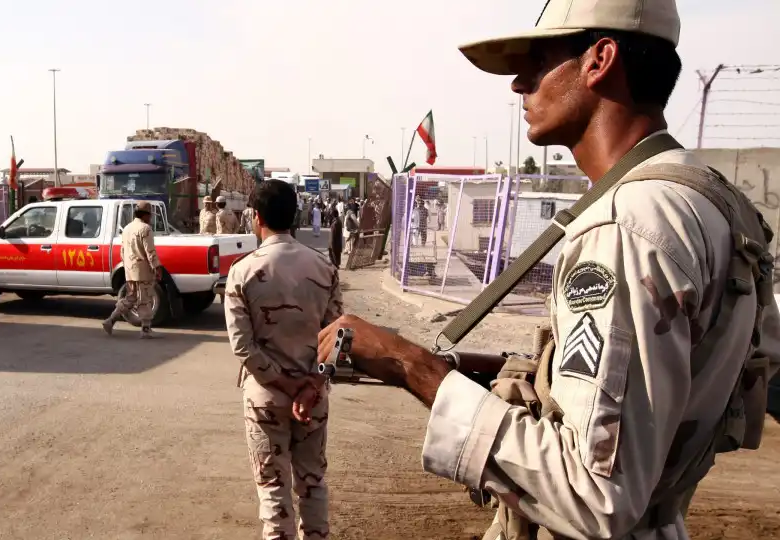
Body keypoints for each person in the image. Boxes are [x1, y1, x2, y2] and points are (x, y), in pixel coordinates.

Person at [299, 1, 780, 539]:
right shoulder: (712, 202)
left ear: (599, 60)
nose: (518, 85)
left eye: (539, 60)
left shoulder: (624, 226)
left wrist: (410, 366)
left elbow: (594, 494)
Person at [223, 179, 343, 540]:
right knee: (313, 483)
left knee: (273, 490)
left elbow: (243, 347)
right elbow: (337, 337)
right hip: (313, 397)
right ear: (294, 217)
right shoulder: (324, 268)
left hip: (265, 398)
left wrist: (285, 384)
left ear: (256, 217)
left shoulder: (241, 272)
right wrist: (311, 386)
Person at [103, 201, 162, 338]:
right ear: (146, 215)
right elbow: (150, 252)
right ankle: (145, 330)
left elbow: (122, 251)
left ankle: (110, 320)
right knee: (145, 298)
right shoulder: (145, 229)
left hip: (130, 270)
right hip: (143, 271)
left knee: (130, 298)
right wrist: (157, 267)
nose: (151, 218)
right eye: (150, 215)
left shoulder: (127, 228)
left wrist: (128, 266)